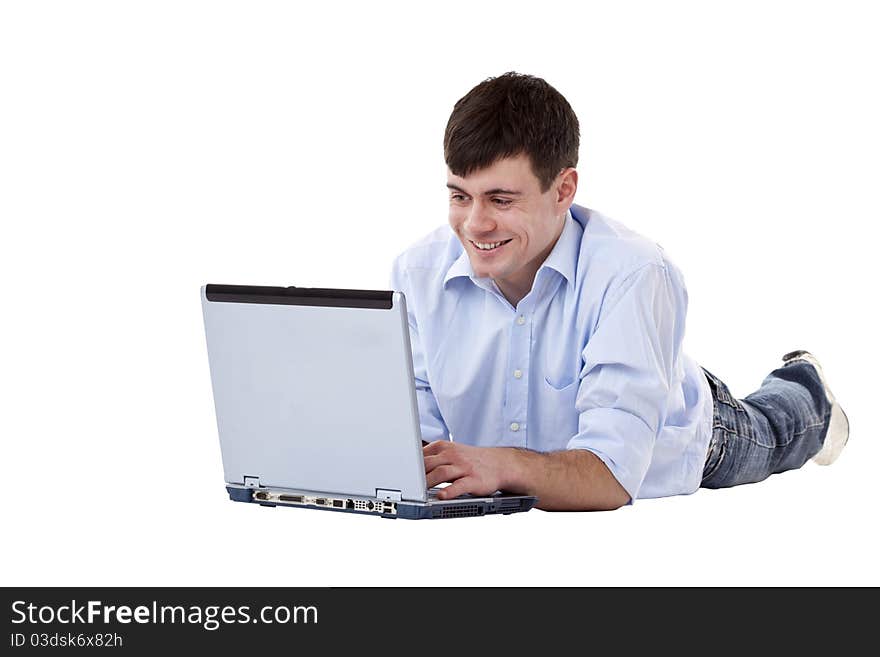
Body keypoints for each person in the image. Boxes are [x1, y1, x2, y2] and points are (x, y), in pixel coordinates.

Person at [389, 72, 849, 511]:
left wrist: (502, 464)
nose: (475, 224)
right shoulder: (417, 272)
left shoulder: (633, 272)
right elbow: (414, 437)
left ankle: (806, 385)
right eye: (460, 196)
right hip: (581, 417)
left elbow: (610, 475)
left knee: (775, 430)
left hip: (680, 433)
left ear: (563, 189)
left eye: (501, 200)